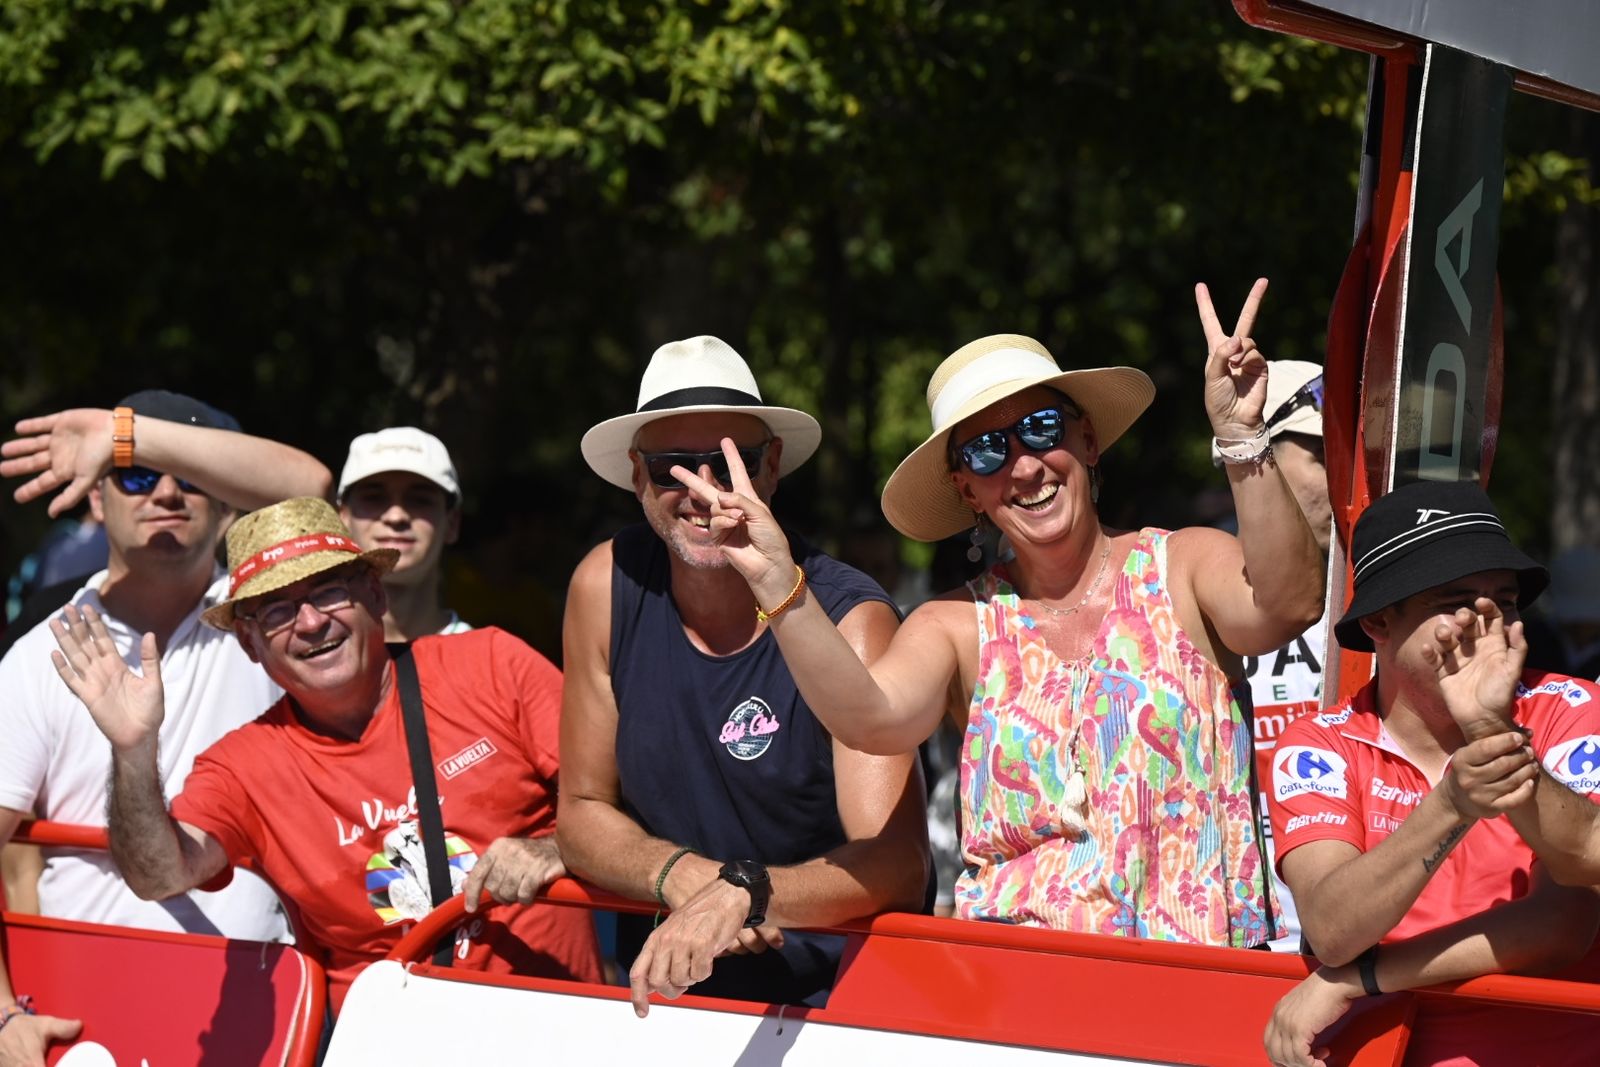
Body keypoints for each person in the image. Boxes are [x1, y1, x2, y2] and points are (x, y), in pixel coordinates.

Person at [667, 281, 1325, 948]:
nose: (1024, 465)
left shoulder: (1184, 564)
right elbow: (868, 719)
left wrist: (1242, 437)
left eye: (1041, 429)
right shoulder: (955, 625)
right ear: (968, 492)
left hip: (1196, 983)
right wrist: (778, 582)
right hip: (1019, 989)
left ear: (1088, 440)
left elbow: (1290, 603)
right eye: (987, 450)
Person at [43, 497, 602, 1014]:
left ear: (375, 596)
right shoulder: (244, 767)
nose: (310, 623)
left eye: (329, 591)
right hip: (392, 1038)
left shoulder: (491, 665)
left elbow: (616, 802)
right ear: (249, 643)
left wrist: (553, 849)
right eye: (276, 611)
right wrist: (133, 750)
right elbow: (159, 876)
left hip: (556, 1019)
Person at [556, 335, 930, 1017]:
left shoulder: (852, 617)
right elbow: (579, 811)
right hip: (665, 1000)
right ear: (638, 476)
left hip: (835, 1006)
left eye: (731, 464)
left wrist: (748, 893)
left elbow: (899, 863)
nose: (704, 491)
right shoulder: (603, 586)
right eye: (673, 467)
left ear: (772, 467)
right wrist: (683, 877)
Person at [0, 390, 333, 1066]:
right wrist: (3, 1016)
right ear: (96, 500)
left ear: (230, 504)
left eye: (192, 476)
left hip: (262, 1014)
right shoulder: (38, 654)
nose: (168, 492)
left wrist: (125, 438)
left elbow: (313, 489)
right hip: (82, 1016)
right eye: (135, 476)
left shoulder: (273, 621)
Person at [1262, 480, 1600, 1067]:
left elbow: (1563, 924)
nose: (1485, 622)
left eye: (1505, 600)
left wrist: (1363, 978)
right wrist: (1451, 804)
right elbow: (1334, 928)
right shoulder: (1319, 743)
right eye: (1455, 601)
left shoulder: (1572, 707)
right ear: (1378, 622)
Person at [1221, 360, 1332, 952]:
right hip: (1231, 943)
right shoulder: (1186, 581)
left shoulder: (1392, 597)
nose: (1344, 478)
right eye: (1321, 455)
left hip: (1351, 946)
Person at [336, 427, 470, 641]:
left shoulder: (494, 657)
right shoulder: (305, 652)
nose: (396, 516)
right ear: (343, 518)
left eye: (419, 500)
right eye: (374, 497)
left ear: (452, 523)